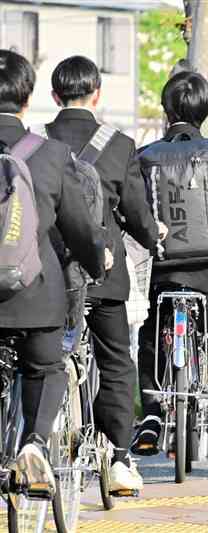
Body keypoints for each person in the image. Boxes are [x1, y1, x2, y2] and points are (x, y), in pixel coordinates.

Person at [44, 55, 163, 493]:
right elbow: (135, 213)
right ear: (97, 94)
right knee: (116, 363)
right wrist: (153, 236)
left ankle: (38, 440)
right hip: (105, 275)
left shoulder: (38, 144)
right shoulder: (119, 144)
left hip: (53, 273)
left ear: (55, 97)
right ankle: (118, 458)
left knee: (46, 357)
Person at [132, 72, 208, 455]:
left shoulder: (144, 157)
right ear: (205, 109)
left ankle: (152, 413)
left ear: (166, 109)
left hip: (163, 271)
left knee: (149, 338)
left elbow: (133, 217)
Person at [0, 49, 106, 495]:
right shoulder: (50, 154)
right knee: (47, 367)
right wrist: (98, 261)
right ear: (28, 98)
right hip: (35, 297)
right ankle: (36, 443)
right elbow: (80, 229)